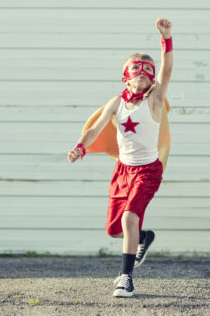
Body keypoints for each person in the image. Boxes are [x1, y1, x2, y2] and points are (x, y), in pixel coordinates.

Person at [67, 18, 173, 297]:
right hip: (122, 171)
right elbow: (95, 128)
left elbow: (167, 69)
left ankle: (125, 278)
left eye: (147, 70)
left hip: (148, 170)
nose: (142, 73)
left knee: (129, 219)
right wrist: (81, 146)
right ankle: (144, 237)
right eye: (136, 69)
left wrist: (166, 40)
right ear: (125, 76)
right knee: (115, 231)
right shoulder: (117, 102)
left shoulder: (155, 100)